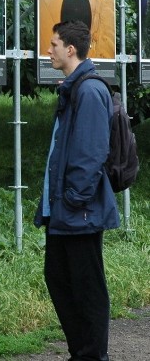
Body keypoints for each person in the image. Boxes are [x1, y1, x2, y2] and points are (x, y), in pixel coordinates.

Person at [34, 20, 120, 361]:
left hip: (77, 209)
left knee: (87, 287)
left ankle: (92, 354)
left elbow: (90, 152)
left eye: (54, 44)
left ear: (71, 49)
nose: (49, 50)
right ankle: (82, 351)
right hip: (64, 208)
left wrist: (74, 199)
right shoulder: (74, 87)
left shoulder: (89, 90)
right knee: (59, 277)